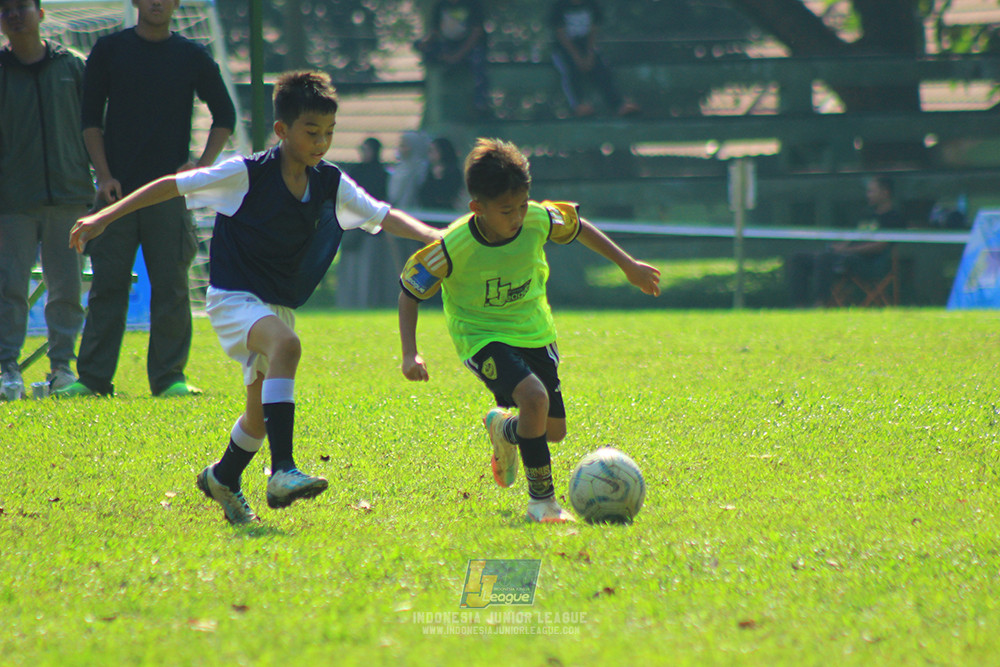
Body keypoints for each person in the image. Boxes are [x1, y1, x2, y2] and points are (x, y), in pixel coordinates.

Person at [69, 71, 441, 524]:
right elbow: (171, 185)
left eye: (329, 132)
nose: (322, 142)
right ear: (282, 130)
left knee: (259, 418)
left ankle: (222, 477)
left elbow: (384, 217)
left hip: (275, 305)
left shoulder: (330, 182)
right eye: (311, 132)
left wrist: (435, 237)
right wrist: (104, 217)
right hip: (233, 298)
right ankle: (282, 469)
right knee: (287, 345)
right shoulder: (245, 174)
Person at [398, 138, 660, 523]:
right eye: (506, 211)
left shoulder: (539, 218)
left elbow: (580, 227)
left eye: (522, 205)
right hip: (482, 336)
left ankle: (505, 429)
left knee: (550, 431)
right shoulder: (452, 245)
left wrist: (628, 265)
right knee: (533, 399)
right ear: (477, 208)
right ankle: (543, 503)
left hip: (535, 331)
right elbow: (409, 291)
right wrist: (409, 353)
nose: (518, 217)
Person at [57, 0, 237, 398]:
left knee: (172, 286)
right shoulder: (108, 50)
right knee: (107, 286)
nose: (157, 2)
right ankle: (92, 379)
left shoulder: (192, 55)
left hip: (169, 193)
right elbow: (90, 120)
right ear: (135, 2)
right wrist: (103, 176)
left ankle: (169, 378)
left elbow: (225, 115)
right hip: (116, 193)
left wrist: (201, 169)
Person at [0, 0, 92, 400]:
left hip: (70, 197)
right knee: (9, 288)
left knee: (66, 288)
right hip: (12, 202)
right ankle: (7, 370)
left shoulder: (73, 66)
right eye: (6, 9)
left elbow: (95, 127)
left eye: (23, 7)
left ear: (41, 13)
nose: (15, 15)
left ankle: (61, 369)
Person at [787, 175, 906, 307]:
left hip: (868, 263)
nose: (868, 195)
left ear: (885, 192)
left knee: (825, 258)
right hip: (846, 257)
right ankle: (799, 306)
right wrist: (839, 247)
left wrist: (846, 250)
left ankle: (820, 304)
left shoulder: (894, 218)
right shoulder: (867, 214)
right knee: (799, 258)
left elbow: (880, 246)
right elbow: (853, 237)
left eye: (871, 191)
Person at [549, 0, 640, 118]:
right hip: (564, 50)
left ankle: (619, 105)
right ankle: (578, 104)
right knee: (571, 71)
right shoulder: (559, 6)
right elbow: (561, 34)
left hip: (587, 48)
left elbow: (593, 31)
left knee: (603, 71)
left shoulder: (592, 4)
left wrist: (589, 55)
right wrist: (577, 58)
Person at [337, 137, 390, 309]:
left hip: (371, 231)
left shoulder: (381, 174)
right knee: (350, 270)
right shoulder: (355, 171)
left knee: (368, 272)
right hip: (352, 228)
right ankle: (347, 304)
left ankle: (367, 303)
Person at [415, 0, 490, 116]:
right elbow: (434, 31)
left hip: (471, 47)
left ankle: (480, 104)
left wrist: (457, 55)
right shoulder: (440, 5)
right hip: (448, 45)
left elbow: (476, 33)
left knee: (478, 66)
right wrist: (424, 43)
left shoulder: (473, 4)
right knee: (430, 53)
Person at [418, 136, 466, 212]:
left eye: (433, 151)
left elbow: (450, 194)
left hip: (446, 213)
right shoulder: (427, 171)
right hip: (427, 212)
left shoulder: (454, 172)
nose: (430, 154)